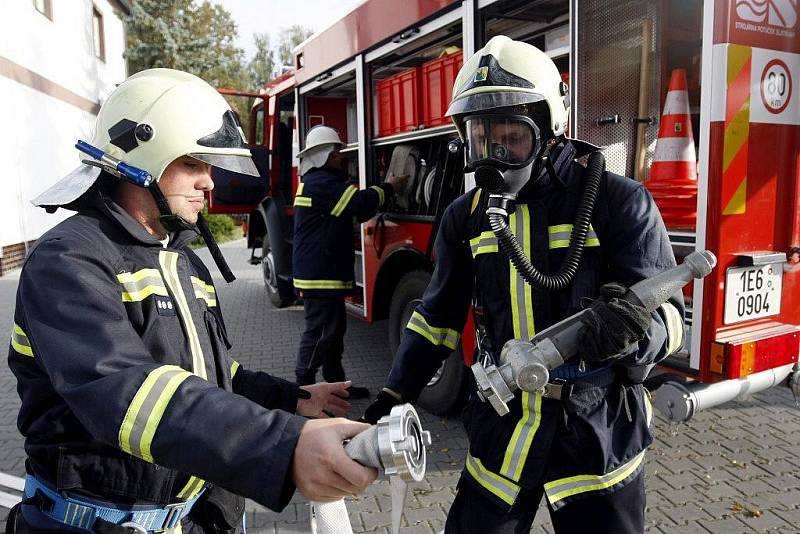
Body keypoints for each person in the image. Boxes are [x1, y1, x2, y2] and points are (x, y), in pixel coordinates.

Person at [7, 68, 376, 534]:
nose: (210, 183)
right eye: (192, 165)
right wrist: (282, 448)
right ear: (141, 157)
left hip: (194, 517)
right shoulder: (68, 260)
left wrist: (296, 400)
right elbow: (124, 392)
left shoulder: (181, 259)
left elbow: (214, 373)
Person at [362, 36, 685, 533]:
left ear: (550, 128)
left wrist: (635, 333)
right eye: (480, 138)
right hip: (504, 427)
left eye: (511, 138)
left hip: (595, 433)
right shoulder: (465, 217)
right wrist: (394, 394)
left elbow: (669, 316)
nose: (494, 155)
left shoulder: (618, 202)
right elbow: (437, 318)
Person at [292, 125, 407, 397]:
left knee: (332, 336)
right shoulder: (323, 184)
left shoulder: (314, 181)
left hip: (321, 272)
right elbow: (360, 204)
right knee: (319, 334)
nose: (341, 157)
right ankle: (302, 390)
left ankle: (338, 388)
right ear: (326, 155)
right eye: (337, 152)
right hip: (321, 274)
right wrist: (389, 187)